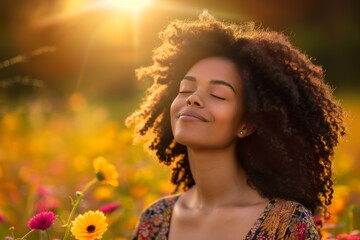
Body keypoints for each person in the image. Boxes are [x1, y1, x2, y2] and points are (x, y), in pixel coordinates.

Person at [126, 11, 345, 240]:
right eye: (185, 90)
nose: (193, 98)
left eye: (218, 95)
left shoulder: (286, 225)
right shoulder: (154, 220)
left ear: (247, 124)